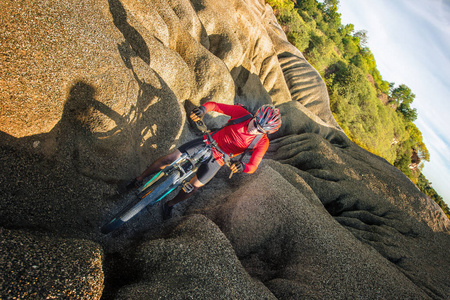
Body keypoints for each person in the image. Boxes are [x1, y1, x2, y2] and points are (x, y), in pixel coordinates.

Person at [127, 102, 281, 220]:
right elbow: (216, 106)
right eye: (255, 124)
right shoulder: (242, 114)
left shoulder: (262, 142)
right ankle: (139, 178)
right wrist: (203, 109)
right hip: (208, 141)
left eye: (261, 130)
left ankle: (170, 204)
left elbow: (253, 166)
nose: (255, 130)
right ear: (255, 116)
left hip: (221, 159)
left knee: (193, 187)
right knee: (170, 158)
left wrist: (243, 167)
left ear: (266, 132)